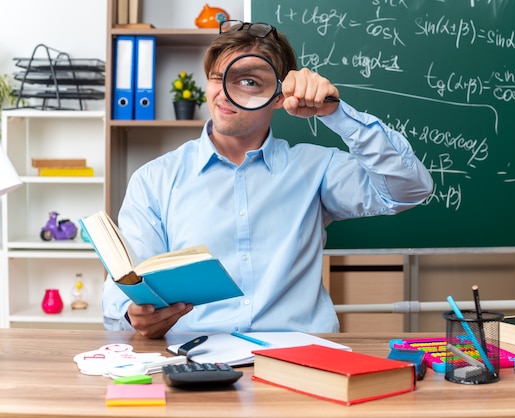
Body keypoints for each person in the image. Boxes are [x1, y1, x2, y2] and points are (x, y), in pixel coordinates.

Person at [102, 20, 433, 338]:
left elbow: (409, 190)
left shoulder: (316, 168)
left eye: (248, 82)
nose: (223, 95)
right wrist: (134, 315)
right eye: (218, 78)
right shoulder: (154, 180)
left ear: (278, 97)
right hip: (197, 360)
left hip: (301, 361)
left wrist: (337, 114)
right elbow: (123, 294)